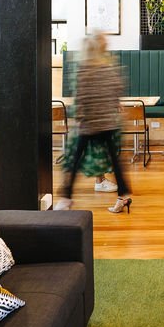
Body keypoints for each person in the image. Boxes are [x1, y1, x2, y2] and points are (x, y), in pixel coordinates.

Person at [56, 32, 132, 213]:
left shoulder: (83, 70)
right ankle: (123, 198)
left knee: (73, 160)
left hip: (89, 125)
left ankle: (65, 199)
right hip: (108, 123)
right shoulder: (110, 69)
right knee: (116, 162)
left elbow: (80, 99)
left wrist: (78, 119)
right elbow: (117, 92)